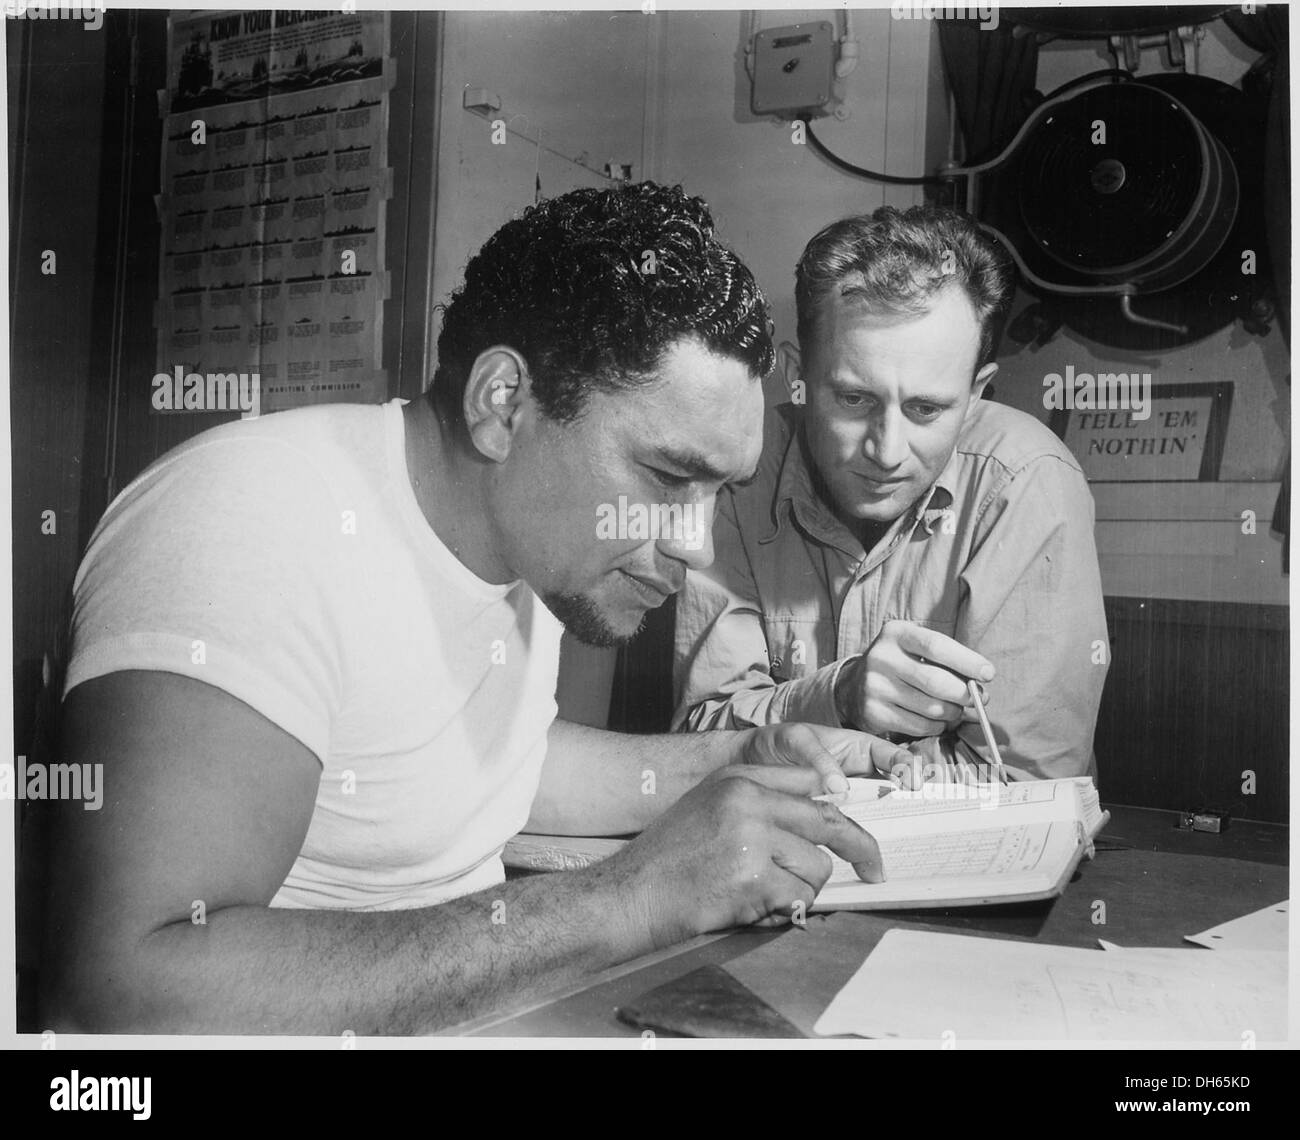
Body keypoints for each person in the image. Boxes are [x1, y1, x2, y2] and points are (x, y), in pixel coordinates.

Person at [42, 183, 909, 1035]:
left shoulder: (524, 544)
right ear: (504, 404)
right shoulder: (246, 518)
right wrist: (631, 898)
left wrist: (741, 757)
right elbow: (124, 991)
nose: (695, 544)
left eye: (719, 490)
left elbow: (478, 771)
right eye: (669, 477)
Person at [674, 206, 1109, 783]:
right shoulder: (737, 474)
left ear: (976, 393)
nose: (886, 450)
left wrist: (796, 736)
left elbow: (1024, 786)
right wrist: (840, 695)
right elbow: (696, 739)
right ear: (797, 374)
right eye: (854, 400)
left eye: (926, 409)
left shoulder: (1030, 482)